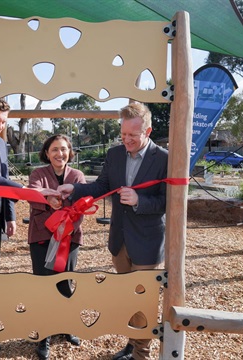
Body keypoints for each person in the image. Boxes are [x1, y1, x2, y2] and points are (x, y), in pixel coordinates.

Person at [58, 102, 168, 360]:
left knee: (143, 302)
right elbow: (101, 187)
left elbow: (169, 202)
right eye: (123, 134)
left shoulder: (164, 158)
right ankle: (131, 345)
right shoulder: (115, 154)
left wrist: (140, 201)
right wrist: (73, 190)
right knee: (126, 298)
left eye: (132, 135)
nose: (126, 139)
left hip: (147, 243)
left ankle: (142, 354)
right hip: (120, 240)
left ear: (148, 131)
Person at [0, 99, 59, 360]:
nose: (0, 126)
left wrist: (10, 214)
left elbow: (2, 177)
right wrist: (25, 190)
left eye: (4, 122)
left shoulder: (3, 144)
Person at [27, 135, 86, 360]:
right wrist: (52, 217)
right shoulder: (38, 174)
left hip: (70, 238)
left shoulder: (77, 176)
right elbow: (33, 197)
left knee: (65, 283)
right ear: (47, 152)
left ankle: (66, 325)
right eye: (54, 150)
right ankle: (44, 335)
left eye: (63, 149)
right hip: (42, 236)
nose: (59, 154)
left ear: (69, 152)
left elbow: (81, 206)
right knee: (44, 285)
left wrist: (66, 227)